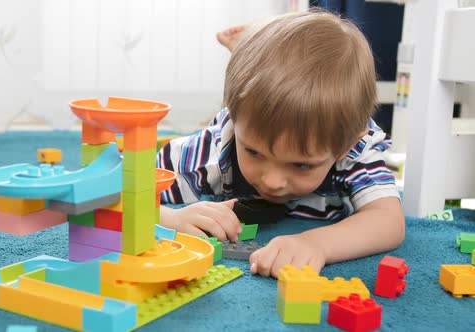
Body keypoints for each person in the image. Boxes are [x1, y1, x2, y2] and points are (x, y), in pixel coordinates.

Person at [156, 10, 405, 278]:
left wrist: (317, 244)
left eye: (301, 165)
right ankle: (243, 56)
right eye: (254, 152)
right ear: (235, 124)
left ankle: (244, 51)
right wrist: (173, 219)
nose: (273, 181)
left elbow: (388, 221)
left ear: (346, 146)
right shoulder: (211, 151)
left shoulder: (352, 148)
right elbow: (119, 194)